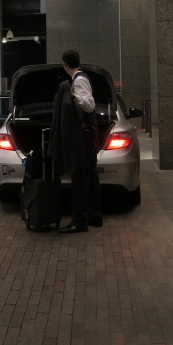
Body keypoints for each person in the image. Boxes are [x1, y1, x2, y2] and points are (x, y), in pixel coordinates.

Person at [47, 49, 103, 233]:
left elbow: (89, 105)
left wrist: (73, 96)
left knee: (79, 178)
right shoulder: (80, 79)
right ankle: (94, 216)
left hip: (84, 138)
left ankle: (79, 221)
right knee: (90, 175)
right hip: (88, 137)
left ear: (64, 64)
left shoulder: (78, 81)